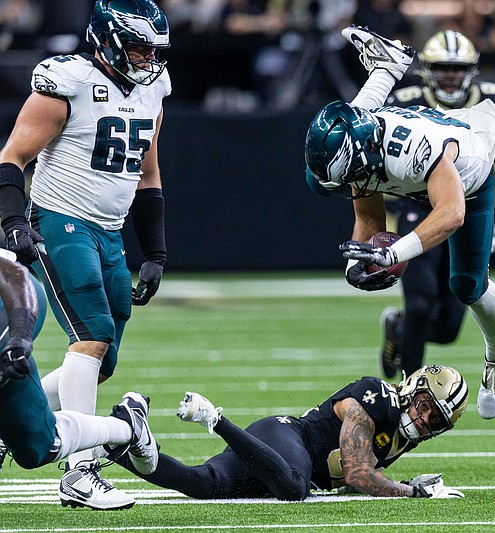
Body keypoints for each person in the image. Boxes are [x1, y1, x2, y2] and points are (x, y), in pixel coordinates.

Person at [0, 0, 170, 508]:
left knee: (102, 360)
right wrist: (12, 222)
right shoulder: (67, 81)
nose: (147, 59)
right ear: (108, 41)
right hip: (59, 220)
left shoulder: (154, 88)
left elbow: (148, 174)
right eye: (137, 48)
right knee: (91, 337)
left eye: (152, 49)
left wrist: (155, 251)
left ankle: (9, 424)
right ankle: (80, 471)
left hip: (110, 232)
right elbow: (12, 156)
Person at [304, 26, 495, 420]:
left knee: (466, 285)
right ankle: (387, 68)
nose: (348, 182)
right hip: (412, 172)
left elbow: (452, 214)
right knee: (357, 122)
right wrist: (355, 266)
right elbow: (369, 217)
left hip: (468, 175)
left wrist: (394, 252)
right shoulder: (358, 146)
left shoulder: (414, 151)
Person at [377, 29, 495, 379]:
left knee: (448, 327)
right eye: (442, 67)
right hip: (422, 206)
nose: (450, 75)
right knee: (420, 303)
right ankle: (410, 390)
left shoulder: (492, 101)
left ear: (471, 69)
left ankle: (398, 329)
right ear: (427, 69)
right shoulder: (407, 100)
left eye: (457, 67)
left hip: (469, 206)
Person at [113, 365, 467, 500]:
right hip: (285, 437)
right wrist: (412, 493)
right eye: (424, 406)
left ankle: (115, 441)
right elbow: (357, 472)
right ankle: (215, 418)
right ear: (414, 387)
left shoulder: (404, 435)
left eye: (435, 420)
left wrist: (405, 483)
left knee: (203, 484)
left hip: (274, 457)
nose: (423, 419)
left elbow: (356, 475)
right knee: (294, 488)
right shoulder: (377, 396)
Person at [0, 249, 158, 511]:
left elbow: (11, 272)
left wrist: (19, 338)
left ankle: (128, 427)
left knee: (40, 446)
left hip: (11, 311)